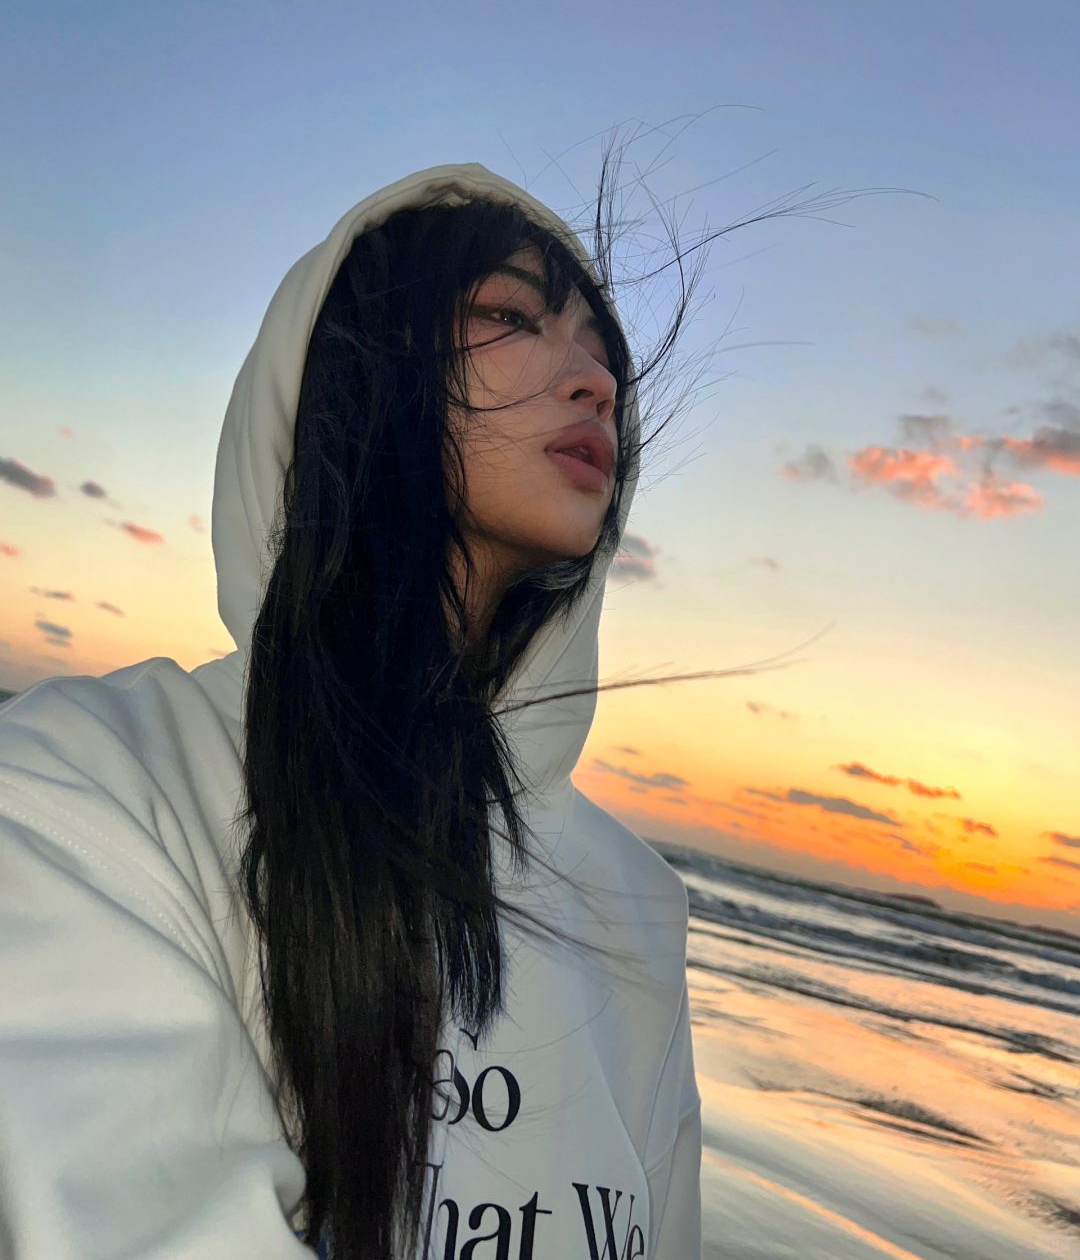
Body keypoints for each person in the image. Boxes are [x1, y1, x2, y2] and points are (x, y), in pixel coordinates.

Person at [0, 160, 704, 1258]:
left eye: (604, 352)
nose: (598, 383)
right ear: (359, 368)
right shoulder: (87, 789)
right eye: (512, 316)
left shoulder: (634, 905)